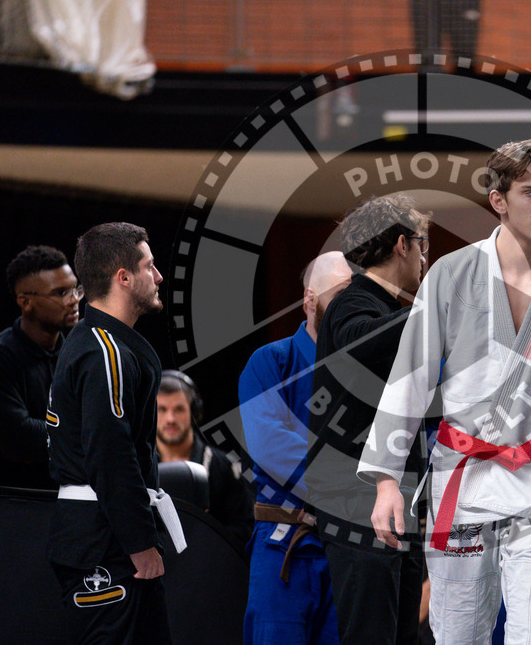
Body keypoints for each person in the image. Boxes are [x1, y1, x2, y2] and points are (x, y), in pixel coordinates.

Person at [360, 140, 531, 644]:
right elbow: (410, 379)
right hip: (464, 481)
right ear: (499, 200)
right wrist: (385, 479)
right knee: (458, 633)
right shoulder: (451, 273)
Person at [46, 222, 182, 643]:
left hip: (107, 536)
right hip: (104, 542)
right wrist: (139, 541)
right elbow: (109, 453)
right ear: (124, 277)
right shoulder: (103, 351)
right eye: (150, 266)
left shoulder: (101, 343)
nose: (158, 277)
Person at [305, 196, 431, 645]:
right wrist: (432, 310)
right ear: (401, 244)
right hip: (355, 500)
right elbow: (361, 341)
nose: (424, 256)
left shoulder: (389, 309)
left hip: (394, 499)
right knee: (373, 635)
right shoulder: (351, 302)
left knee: (403, 636)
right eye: (422, 244)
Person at [238, 251, 352, 645]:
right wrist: (351, 485)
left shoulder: (368, 375)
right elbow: (270, 445)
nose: (349, 307)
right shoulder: (271, 362)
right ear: (309, 299)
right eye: (339, 294)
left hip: (349, 549)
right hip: (284, 540)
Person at [0, 245, 81, 489]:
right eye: (60, 293)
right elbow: (18, 441)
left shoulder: (79, 354)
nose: (74, 300)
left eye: (74, 289)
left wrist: (34, 436)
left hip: (63, 503)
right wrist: (81, 434)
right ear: (26, 302)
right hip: (3, 507)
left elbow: (21, 439)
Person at [157, 369, 255, 548]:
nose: (170, 419)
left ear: (194, 412)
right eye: (161, 410)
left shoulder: (226, 468)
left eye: (179, 409)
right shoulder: (137, 469)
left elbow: (245, 530)